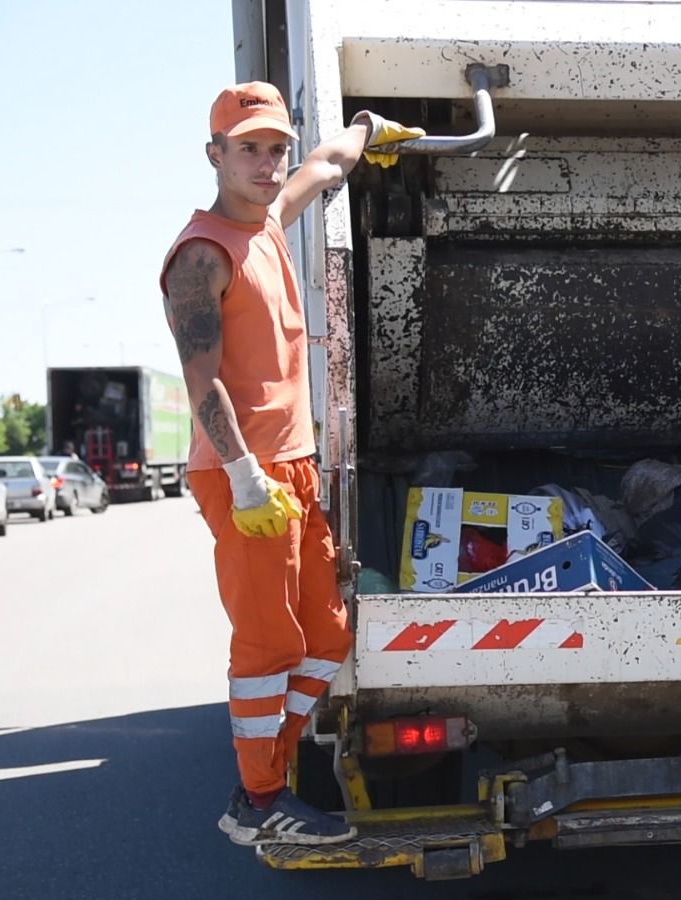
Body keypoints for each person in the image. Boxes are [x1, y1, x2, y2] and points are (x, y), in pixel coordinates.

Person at [159, 81, 421, 845]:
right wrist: (244, 475)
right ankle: (260, 795)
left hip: (295, 467)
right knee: (268, 644)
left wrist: (368, 127)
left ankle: (265, 775)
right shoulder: (201, 255)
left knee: (329, 635)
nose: (269, 164)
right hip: (244, 474)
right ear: (216, 156)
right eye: (249, 150)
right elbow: (200, 378)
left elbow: (329, 162)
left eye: (274, 149)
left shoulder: (270, 220)